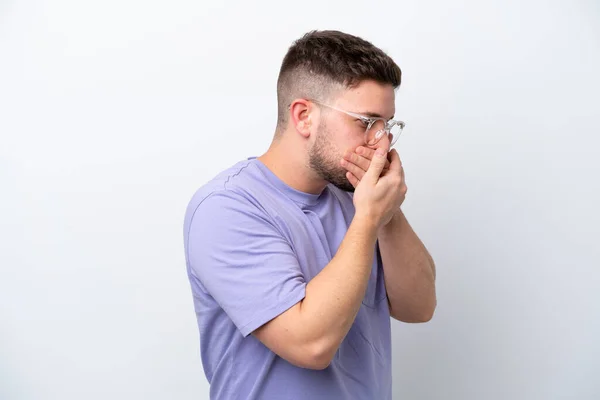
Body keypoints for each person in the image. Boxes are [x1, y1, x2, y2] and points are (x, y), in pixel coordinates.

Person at [182, 29, 437, 400]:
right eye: (366, 122)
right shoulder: (226, 207)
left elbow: (419, 307)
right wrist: (368, 219)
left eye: (388, 124)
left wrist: (389, 214)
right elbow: (310, 346)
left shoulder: (359, 198)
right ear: (304, 117)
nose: (381, 142)